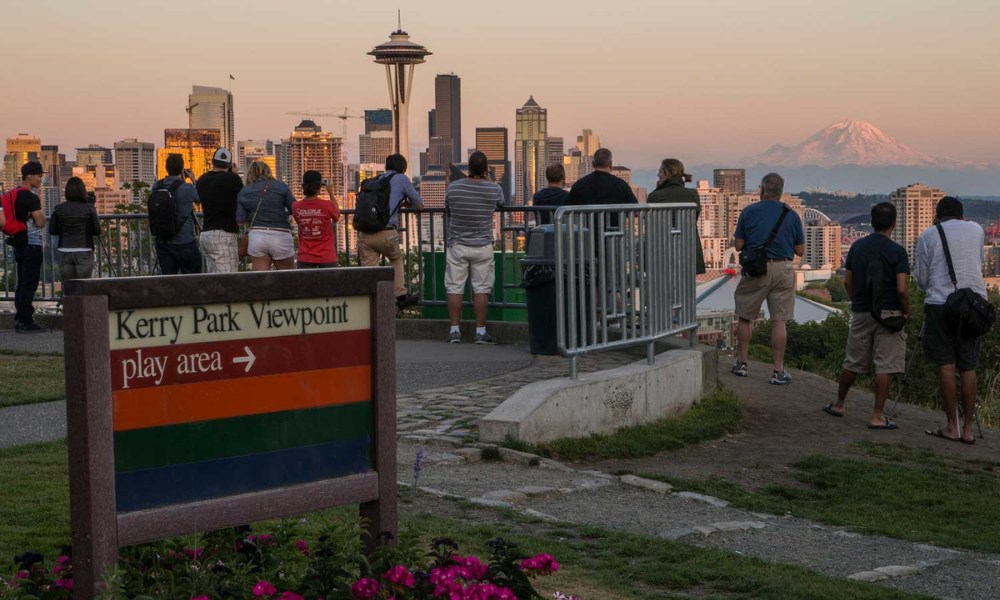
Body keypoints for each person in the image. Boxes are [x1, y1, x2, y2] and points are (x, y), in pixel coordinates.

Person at [823, 202, 909, 428]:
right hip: (889, 314)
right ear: (894, 223)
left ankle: (839, 404)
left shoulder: (857, 247)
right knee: (885, 365)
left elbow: (847, 280)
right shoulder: (898, 252)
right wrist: (906, 310)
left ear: (871, 222)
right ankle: (877, 416)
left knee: (852, 361)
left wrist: (856, 301)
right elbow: (902, 288)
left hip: (862, 311)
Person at [914, 196, 987, 445]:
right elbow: (980, 262)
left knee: (946, 363)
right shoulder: (977, 230)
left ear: (938, 215)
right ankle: (968, 430)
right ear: (962, 215)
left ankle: (952, 426)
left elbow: (922, 280)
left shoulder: (928, 234)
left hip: (941, 304)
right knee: (968, 366)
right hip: (973, 305)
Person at [731, 172, 805, 384]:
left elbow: (738, 246)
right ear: (781, 192)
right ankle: (778, 370)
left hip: (757, 270)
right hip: (783, 269)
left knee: (745, 316)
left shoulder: (749, 211)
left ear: (762, 190)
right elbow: (799, 250)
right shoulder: (791, 215)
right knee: (778, 320)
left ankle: (743, 363)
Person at [444, 151, 505, 344]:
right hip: (482, 245)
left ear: (468, 168)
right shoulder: (493, 189)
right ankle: (480, 332)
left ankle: (455, 331)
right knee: (481, 289)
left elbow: (448, 209)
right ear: (487, 169)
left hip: (457, 245)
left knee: (454, 287)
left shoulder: (453, 188)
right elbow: (501, 204)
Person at [358, 153, 424, 310]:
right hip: (387, 233)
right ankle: (401, 295)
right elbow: (420, 205)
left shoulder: (375, 181)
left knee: (369, 270)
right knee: (395, 259)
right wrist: (407, 204)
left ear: (386, 167)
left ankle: (368, 302)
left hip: (365, 233)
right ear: (403, 168)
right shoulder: (401, 179)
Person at [646, 158, 705, 275]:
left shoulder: (655, 196)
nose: (658, 175)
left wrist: (658, 188)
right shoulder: (692, 194)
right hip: (688, 248)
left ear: (667, 173)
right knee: (686, 288)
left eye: (660, 172)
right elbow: (695, 216)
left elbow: (651, 221)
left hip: (662, 250)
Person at [9, 161, 48, 332]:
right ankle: (26, 321)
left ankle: (20, 318)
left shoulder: (14, 194)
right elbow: (40, 222)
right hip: (32, 244)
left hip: (18, 243)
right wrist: (39, 217)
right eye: (39, 176)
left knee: (22, 283)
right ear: (30, 176)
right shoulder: (30, 197)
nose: (41, 179)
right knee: (30, 284)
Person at [237, 161, 296, 271]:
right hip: (280, 235)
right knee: (288, 279)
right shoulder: (281, 187)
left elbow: (240, 220)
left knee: (261, 280)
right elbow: (294, 209)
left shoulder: (244, 191)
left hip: (257, 236)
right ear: (268, 172)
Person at [151, 154, 202, 275]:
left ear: (166, 168)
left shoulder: (157, 186)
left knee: (169, 282)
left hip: (163, 242)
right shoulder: (187, 188)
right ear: (181, 168)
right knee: (192, 280)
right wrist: (193, 179)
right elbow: (199, 198)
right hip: (185, 241)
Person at [196, 148, 243, 273]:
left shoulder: (201, 180)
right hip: (224, 234)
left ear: (212, 162)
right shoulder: (233, 179)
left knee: (213, 281)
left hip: (206, 233)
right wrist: (235, 174)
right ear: (229, 165)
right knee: (228, 280)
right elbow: (242, 198)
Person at [48, 176, 101, 281]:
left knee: (68, 287)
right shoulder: (89, 208)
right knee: (84, 286)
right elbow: (97, 231)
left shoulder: (59, 209)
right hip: (84, 249)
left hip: (64, 250)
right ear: (82, 191)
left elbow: (52, 230)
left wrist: (64, 230)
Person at [292, 170, 340, 268]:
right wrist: (331, 192)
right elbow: (337, 215)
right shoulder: (327, 205)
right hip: (326, 256)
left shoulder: (296, 206)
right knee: (331, 283)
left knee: (306, 283)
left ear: (303, 186)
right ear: (319, 187)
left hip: (304, 256)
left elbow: (299, 222)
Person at [565, 148, 638, 208]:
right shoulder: (621, 185)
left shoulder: (579, 185)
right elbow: (635, 208)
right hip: (615, 225)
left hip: (586, 226)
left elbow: (567, 207)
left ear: (593, 164)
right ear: (610, 164)